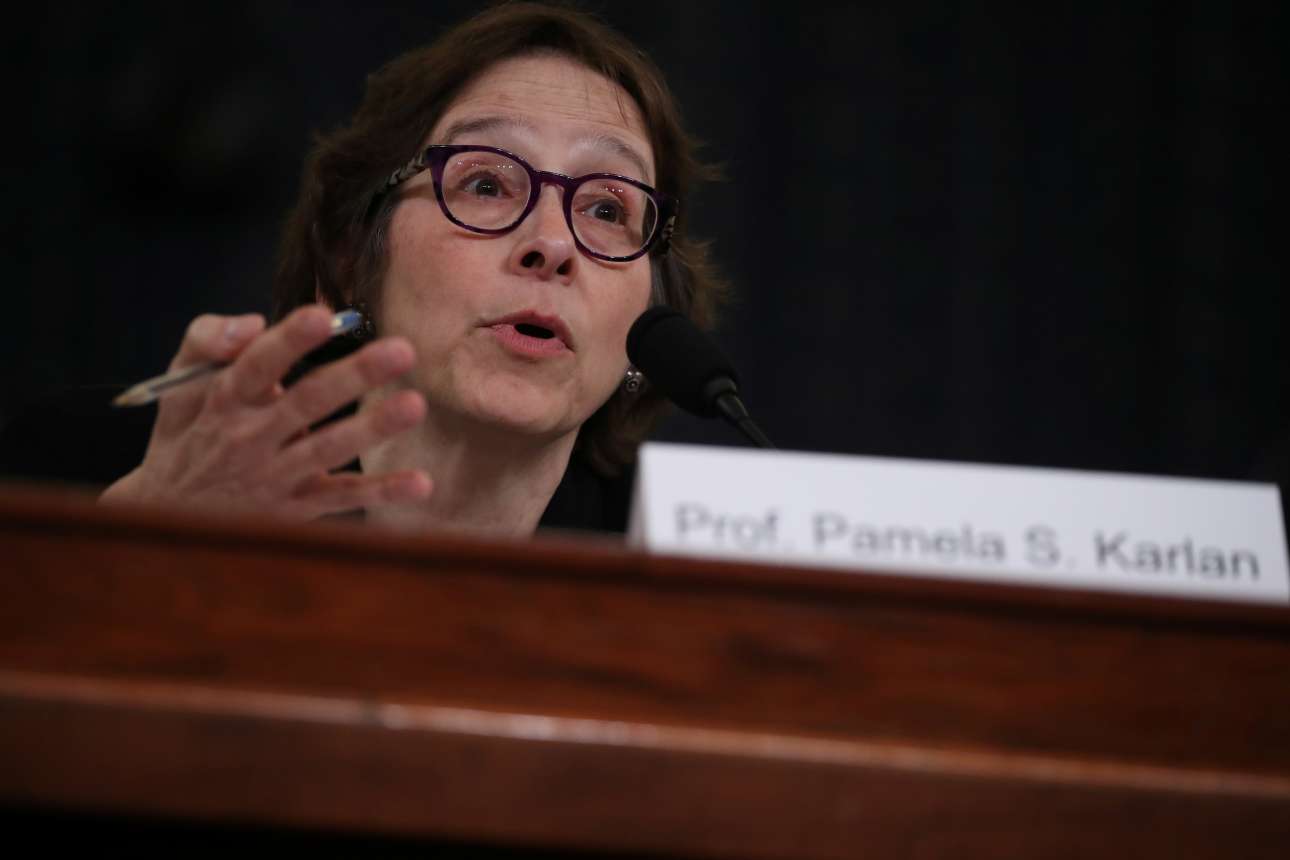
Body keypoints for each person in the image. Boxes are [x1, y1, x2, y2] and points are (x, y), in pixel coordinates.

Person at [98, 1, 724, 536]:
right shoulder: (112, 476)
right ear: (351, 262)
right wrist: (142, 553)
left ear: (649, 313)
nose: (553, 243)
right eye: (485, 183)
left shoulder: (691, 557)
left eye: (608, 209)